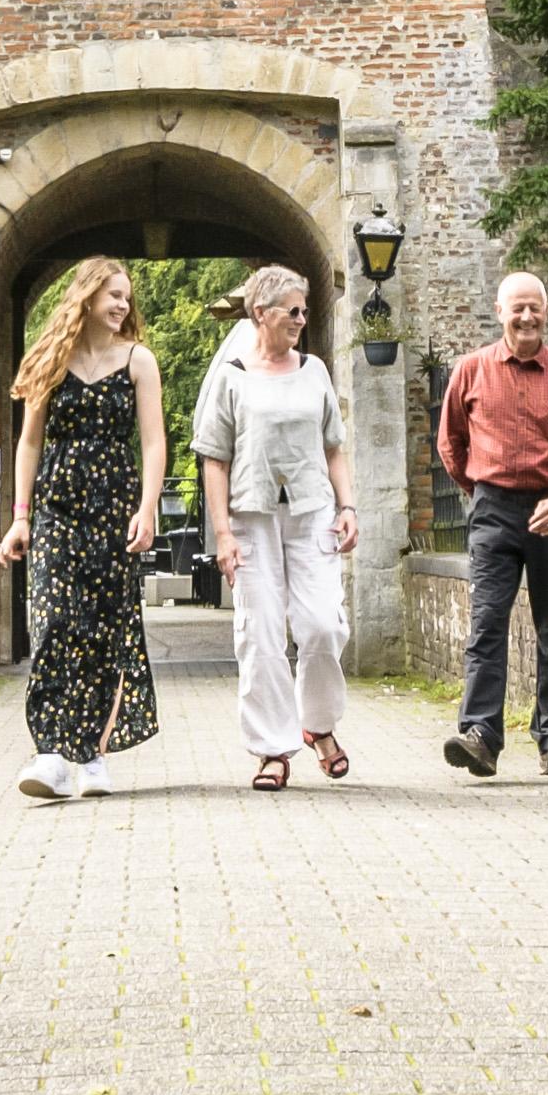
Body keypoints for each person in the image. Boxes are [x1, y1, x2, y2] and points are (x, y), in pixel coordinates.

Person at [0, 255, 164, 802]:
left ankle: (90, 752)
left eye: (127, 296)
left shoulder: (139, 362)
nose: (123, 304)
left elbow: (153, 443)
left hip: (114, 514)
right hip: (56, 512)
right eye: (114, 294)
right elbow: (29, 443)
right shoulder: (50, 359)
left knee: (102, 633)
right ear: (88, 296)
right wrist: (19, 518)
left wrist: (149, 507)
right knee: (51, 623)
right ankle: (49, 754)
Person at [192, 263, 358, 789]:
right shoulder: (232, 377)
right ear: (260, 313)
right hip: (250, 517)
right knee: (259, 633)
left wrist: (348, 507)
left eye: (305, 311)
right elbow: (213, 459)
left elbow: (334, 446)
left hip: (312, 513)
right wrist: (222, 533)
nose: (302, 320)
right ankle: (271, 749)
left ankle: (318, 724)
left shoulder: (315, 372)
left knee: (322, 625)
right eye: (292, 310)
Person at [433, 268, 548, 778]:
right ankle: (481, 735)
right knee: (487, 625)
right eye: (517, 307)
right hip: (494, 509)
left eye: (535, 307)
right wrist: (480, 493)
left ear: (547, 313)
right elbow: (450, 443)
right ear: (500, 312)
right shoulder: (471, 370)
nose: (527, 316)